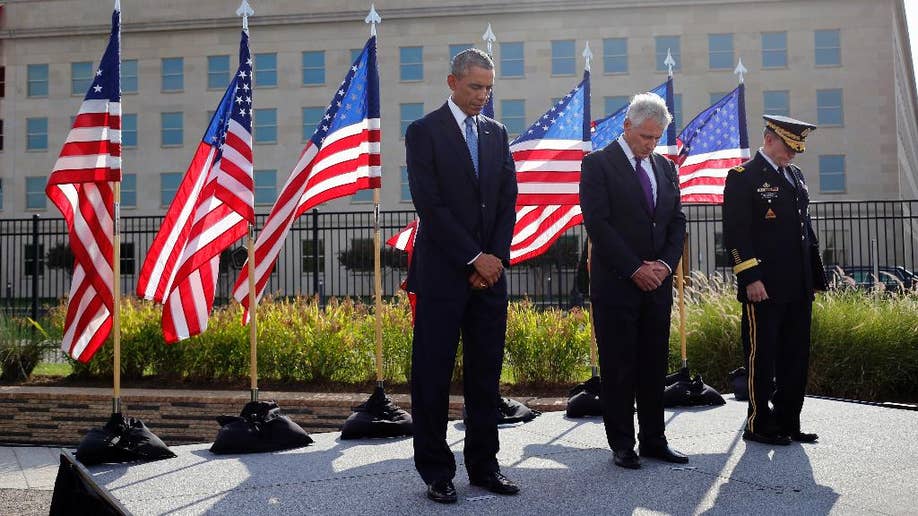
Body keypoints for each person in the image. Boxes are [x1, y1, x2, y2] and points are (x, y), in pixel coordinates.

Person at [404, 48, 519, 504]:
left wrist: (494, 260)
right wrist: (474, 257)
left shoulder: (497, 133)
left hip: (489, 279)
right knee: (432, 375)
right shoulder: (423, 132)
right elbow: (430, 205)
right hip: (441, 276)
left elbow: (508, 200)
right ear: (452, 82)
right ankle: (436, 471)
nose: (482, 96)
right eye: (475, 87)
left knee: (485, 376)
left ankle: (484, 466)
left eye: (488, 88)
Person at [579, 93, 687, 470]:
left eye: (657, 138)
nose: (651, 144)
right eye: (645, 137)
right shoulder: (597, 165)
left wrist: (664, 266)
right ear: (627, 126)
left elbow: (676, 223)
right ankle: (623, 443)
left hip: (657, 284)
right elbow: (599, 225)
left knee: (654, 364)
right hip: (617, 285)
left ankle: (654, 439)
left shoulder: (666, 168)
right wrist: (634, 268)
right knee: (619, 366)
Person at [722, 114, 828, 446]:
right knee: (762, 355)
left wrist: (815, 275)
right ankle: (758, 423)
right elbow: (736, 235)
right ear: (770, 140)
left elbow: (803, 230)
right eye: (789, 147)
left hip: (798, 284)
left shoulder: (794, 175)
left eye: (797, 149)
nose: (793, 155)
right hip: (764, 286)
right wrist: (750, 277)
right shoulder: (743, 177)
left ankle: (788, 420)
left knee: (795, 356)